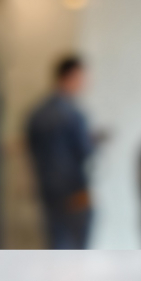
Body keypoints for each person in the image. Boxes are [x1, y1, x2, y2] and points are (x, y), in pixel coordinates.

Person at [27, 56, 94, 249]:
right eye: (83, 78)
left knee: (56, 243)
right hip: (73, 189)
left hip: (46, 187)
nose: (85, 84)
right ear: (72, 76)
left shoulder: (37, 112)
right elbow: (84, 151)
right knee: (75, 248)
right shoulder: (73, 113)